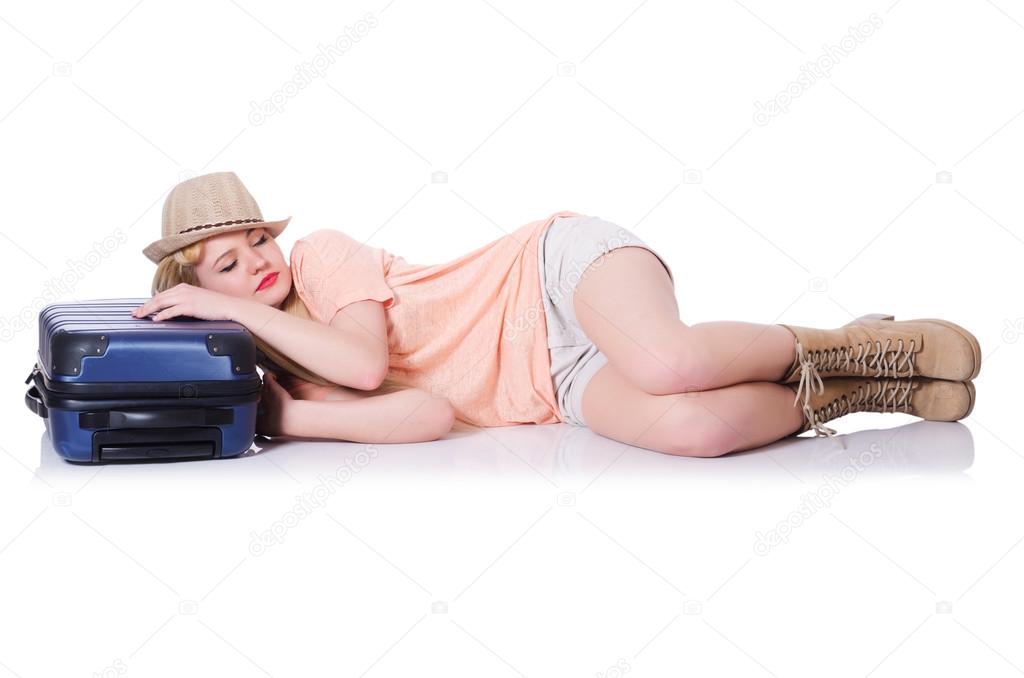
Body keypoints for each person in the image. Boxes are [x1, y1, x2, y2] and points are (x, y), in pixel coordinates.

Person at [135, 171, 981, 456]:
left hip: (547, 274)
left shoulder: (321, 254)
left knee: (669, 363)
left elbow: (361, 364)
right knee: (697, 433)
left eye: (254, 240)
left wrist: (215, 300)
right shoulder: (282, 368)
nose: (258, 263)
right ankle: (853, 391)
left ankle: (861, 343)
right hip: (553, 381)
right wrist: (280, 416)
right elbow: (426, 413)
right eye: (228, 262)